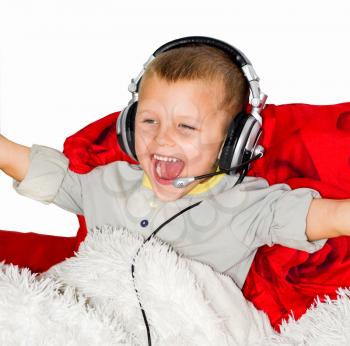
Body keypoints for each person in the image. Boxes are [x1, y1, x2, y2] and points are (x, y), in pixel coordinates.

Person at [0, 36, 347, 290]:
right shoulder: (109, 181)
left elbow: (328, 217)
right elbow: (46, 174)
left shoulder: (251, 206)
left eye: (186, 126)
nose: (163, 138)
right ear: (128, 123)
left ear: (235, 141)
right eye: (149, 121)